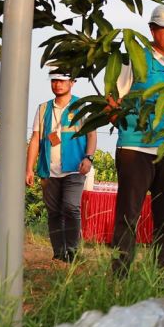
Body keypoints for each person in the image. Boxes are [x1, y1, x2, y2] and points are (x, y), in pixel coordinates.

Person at [110, 4, 164, 275]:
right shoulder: (133, 59)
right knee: (128, 215)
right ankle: (120, 275)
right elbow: (112, 101)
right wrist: (127, 122)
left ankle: (162, 275)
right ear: (152, 30)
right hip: (136, 147)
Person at [26, 69, 97, 262]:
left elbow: (92, 135)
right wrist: (29, 168)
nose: (58, 84)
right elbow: (35, 140)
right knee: (54, 212)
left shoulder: (82, 106)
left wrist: (89, 158)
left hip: (75, 167)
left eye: (62, 81)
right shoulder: (43, 109)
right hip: (48, 170)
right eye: (54, 81)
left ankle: (72, 250)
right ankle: (59, 253)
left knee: (71, 207)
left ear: (72, 82)